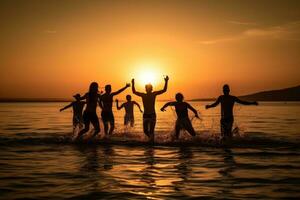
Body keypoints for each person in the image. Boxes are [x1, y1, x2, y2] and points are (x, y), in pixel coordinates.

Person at [132, 76, 169, 142]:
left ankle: (152, 141)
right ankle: (152, 140)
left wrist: (166, 81)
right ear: (145, 89)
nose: (148, 89)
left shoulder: (154, 94)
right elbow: (134, 92)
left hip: (152, 114)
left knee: (151, 130)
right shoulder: (143, 95)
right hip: (145, 114)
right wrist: (133, 84)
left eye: (149, 88)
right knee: (145, 131)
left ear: (151, 89)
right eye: (147, 88)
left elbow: (164, 90)